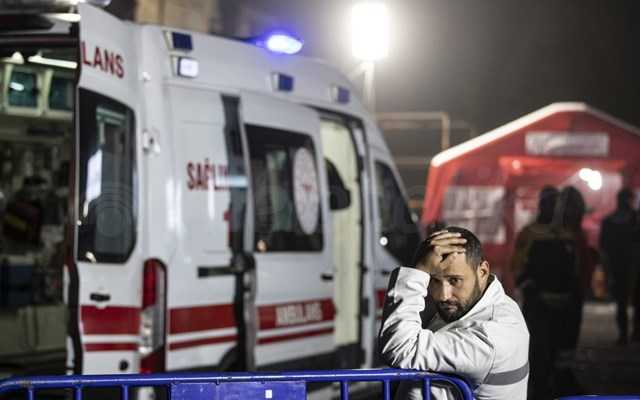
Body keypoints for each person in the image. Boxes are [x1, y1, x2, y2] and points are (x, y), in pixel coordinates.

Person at [379, 227, 529, 400]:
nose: (443, 295)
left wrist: (418, 271)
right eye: (434, 280)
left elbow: (399, 348)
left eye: (455, 280)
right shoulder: (488, 304)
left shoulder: (491, 336)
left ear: (482, 272)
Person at [600, 187, 637, 345]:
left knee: (622, 301)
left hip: (620, 265)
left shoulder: (609, 221)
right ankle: (633, 333)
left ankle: (625, 334)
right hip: (630, 265)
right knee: (629, 300)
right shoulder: (635, 219)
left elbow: (604, 246)